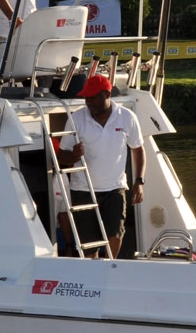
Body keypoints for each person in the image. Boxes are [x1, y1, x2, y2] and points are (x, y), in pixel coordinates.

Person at [56, 73, 145, 257]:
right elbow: (60, 156)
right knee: (89, 245)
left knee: (116, 234)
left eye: (93, 97)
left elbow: (138, 149)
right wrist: (73, 155)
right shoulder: (76, 118)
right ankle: (95, 271)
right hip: (83, 190)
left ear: (107, 94)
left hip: (115, 187)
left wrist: (139, 181)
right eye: (86, 97)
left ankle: (108, 267)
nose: (89, 102)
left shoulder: (127, 117)